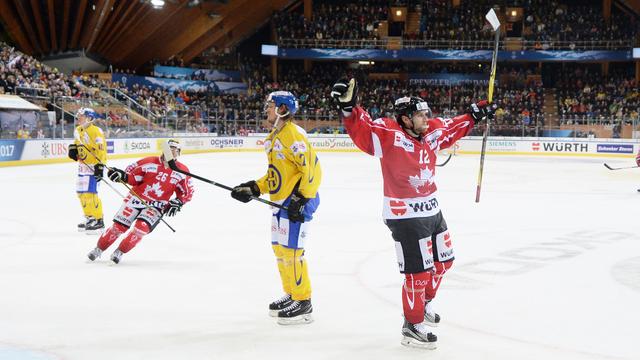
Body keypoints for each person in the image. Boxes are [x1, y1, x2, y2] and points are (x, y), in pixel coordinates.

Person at [331, 78, 495, 349]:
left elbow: (452, 127)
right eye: (420, 115)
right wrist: (350, 108)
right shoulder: (389, 133)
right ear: (405, 119)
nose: (426, 119)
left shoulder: (430, 132)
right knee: (417, 275)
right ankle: (412, 324)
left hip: (432, 209)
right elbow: (364, 129)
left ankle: (424, 303)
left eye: (426, 114)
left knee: (444, 262)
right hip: (404, 214)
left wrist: (475, 114)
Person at [230, 91, 322, 325]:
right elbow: (276, 175)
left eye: (270, 106)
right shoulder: (274, 137)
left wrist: (302, 199)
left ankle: (304, 301)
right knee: (280, 251)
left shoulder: (293, 134)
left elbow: (312, 170)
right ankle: (292, 293)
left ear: (282, 109)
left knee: (293, 252)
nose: (266, 110)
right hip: (280, 203)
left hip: (296, 202)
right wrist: (254, 188)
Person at [86, 139, 194, 264]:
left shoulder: (182, 171)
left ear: (179, 153)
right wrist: (122, 175)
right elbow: (132, 176)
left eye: (176, 150)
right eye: (170, 149)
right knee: (118, 228)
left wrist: (179, 201)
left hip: (157, 207)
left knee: (140, 229)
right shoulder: (148, 162)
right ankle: (98, 249)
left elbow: (187, 192)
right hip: (135, 199)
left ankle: (120, 252)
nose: (172, 152)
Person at [67, 108, 107, 233]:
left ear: (89, 118)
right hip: (82, 166)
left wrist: (100, 166)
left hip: (93, 166)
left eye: (81, 116)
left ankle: (99, 220)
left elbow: (102, 150)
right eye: (78, 115)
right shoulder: (78, 130)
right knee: (81, 193)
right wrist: (72, 148)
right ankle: (90, 217)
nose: (78, 117)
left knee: (91, 193)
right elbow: (77, 142)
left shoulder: (96, 131)